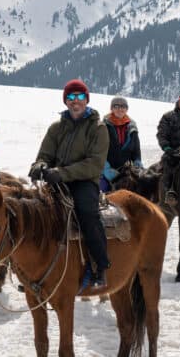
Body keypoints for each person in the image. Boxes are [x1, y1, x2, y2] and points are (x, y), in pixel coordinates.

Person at [28, 79, 110, 292]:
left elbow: (94, 164)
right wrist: (40, 165)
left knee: (87, 213)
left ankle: (100, 265)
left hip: (84, 181)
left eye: (80, 97)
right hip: (57, 180)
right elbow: (45, 154)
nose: (76, 101)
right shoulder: (56, 128)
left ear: (86, 100)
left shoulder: (98, 128)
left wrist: (62, 173)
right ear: (66, 101)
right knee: (32, 211)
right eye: (71, 97)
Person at [100, 95, 142, 193]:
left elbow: (136, 150)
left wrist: (137, 163)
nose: (120, 109)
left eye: (123, 106)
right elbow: (98, 151)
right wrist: (106, 169)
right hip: (106, 170)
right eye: (116, 106)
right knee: (102, 190)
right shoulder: (103, 127)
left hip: (125, 169)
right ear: (111, 108)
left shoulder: (132, 128)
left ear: (126, 109)